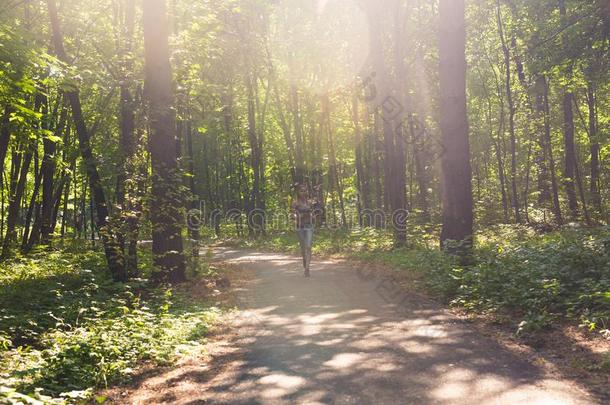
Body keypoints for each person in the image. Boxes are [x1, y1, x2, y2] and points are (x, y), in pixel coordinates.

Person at [291, 183, 317, 277]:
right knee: (303, 247)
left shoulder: (310, 202)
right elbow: (292, 214)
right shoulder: (295, 203)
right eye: (301, 190)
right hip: (299, 227)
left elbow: (313, 213)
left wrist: (313, 216)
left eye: (305, 190)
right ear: (298, 192)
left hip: (309, 226)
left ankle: (307, 268)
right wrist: (297, 216)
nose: (303, 192)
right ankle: (304, 259)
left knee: (308, 246)